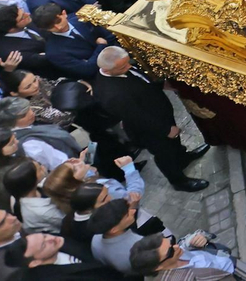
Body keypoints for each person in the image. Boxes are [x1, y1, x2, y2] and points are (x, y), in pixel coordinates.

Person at [89, 47, 210, 193]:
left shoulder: (120, 68)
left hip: (160, 116)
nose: (129, 67)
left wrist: (160, 85)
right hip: (150, 130)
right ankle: (178, 181)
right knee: (165, 154)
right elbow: (137, 117)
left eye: (128, 62)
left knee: (174, 144)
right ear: (107, 70)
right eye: (123, 66)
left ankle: (183, 158)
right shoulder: (112, 94)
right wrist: (166, 130)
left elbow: (141, 80)